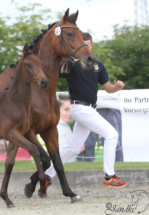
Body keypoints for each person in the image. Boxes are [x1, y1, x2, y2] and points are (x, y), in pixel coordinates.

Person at [44, 32, 129, 188]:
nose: (86, 48)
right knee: (112, 134)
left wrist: (116, 88)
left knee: (74, 147)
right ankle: (109, 176)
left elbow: (108, 88)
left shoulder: (99, 65)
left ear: (92, 46)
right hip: (80, 108)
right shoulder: (71, 64)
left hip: (89, 110)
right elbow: (53, 70)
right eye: (83, 45)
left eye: (88, 45)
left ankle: (47, 175)